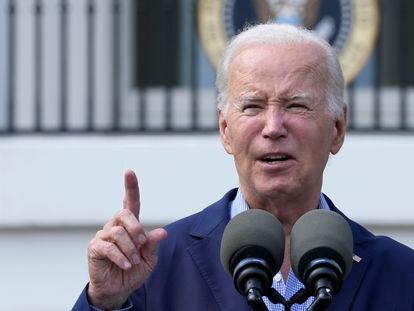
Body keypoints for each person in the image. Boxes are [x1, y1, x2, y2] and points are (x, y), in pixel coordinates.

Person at [73, 24, 414, 311]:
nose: (273, 127)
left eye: (296, 106)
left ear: (337, 129)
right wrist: (103, 302)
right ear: (225, 130)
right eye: (252, 106)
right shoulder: (155, 268)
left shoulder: (400, 274)